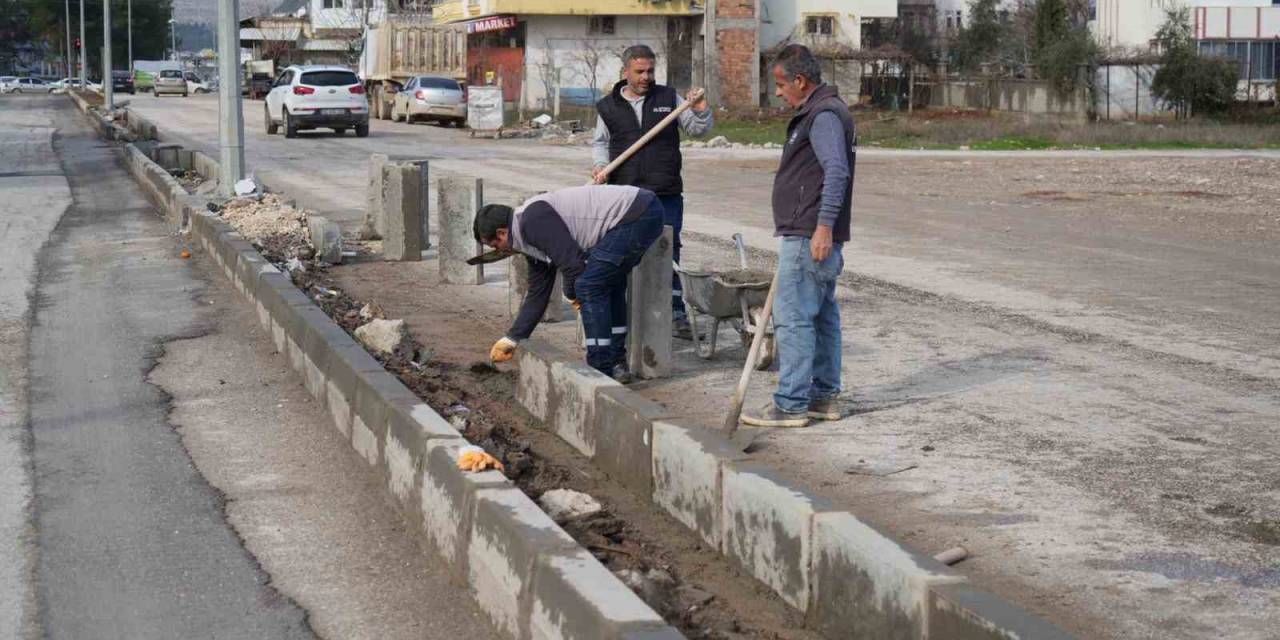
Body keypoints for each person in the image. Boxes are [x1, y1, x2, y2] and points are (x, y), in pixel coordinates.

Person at [740, 44, 856, 429]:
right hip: (813, 232)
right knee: (821, 318)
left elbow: (836, 172)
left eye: (780, 84)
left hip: (810, 235)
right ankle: (823, 398)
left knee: (793, 319)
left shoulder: (822, 115)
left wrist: (823, 227)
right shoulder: (822, 111)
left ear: (800, 81)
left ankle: (790, 404)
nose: (777, 92)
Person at [477, 185, 664, 383]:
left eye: (495, 246)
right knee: (606, 283)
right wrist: (512, 338)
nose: (499, 252)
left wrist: (572, 293)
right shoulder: (528, 239)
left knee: (589, 286)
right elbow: (538, 294)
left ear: (502, 233)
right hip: (635, 211)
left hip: (636, 213)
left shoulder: (532, 222)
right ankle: (616, 363)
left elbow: (573, 265)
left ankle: (599, 371)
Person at [592, 44, 713, 341]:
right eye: (640, 71)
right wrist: (600, 165)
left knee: (668, 252)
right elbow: (600, 142)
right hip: (625, 194)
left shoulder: (668, 97)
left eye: (650, 71)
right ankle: (629, 313)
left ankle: (675, 314)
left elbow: (698, 130)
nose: (646, 77)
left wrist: (701, 111)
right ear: (625, 72)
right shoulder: (608, 106)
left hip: (665, 191)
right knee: (624, 253)